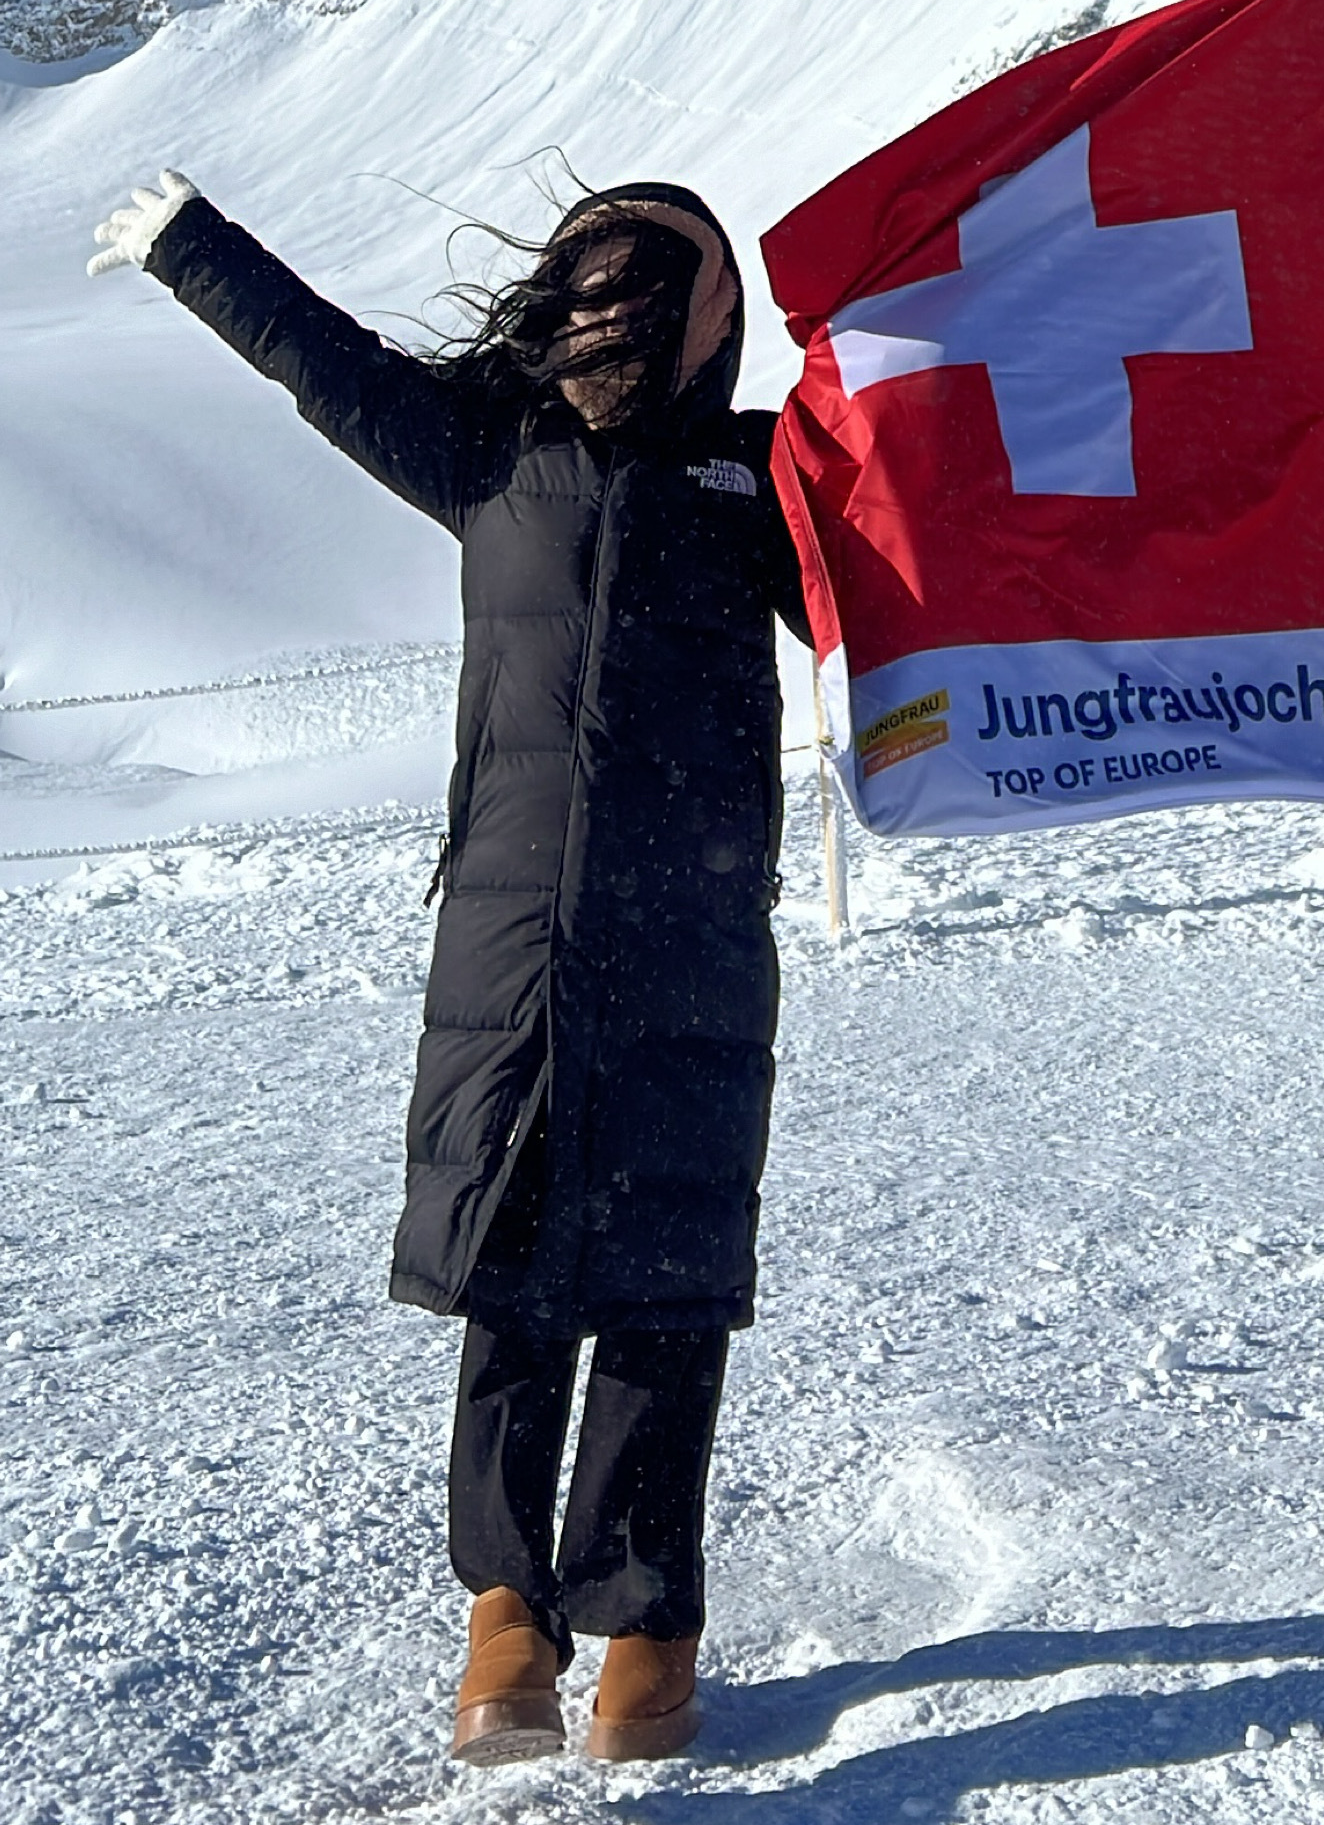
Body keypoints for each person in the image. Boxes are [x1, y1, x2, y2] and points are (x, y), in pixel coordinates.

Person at [87, 163, 808, 1770]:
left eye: (656, 286)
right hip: (514, 953)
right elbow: (329, 366)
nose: (621, 314)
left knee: (666, 1287)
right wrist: (197, 249)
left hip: (688, 949)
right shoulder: (497, 448)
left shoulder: (765, 476)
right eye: (603, 283)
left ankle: (644, 1632)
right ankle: (510, 1623)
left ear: (714, 324)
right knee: (516, 1270)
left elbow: (890, 602)